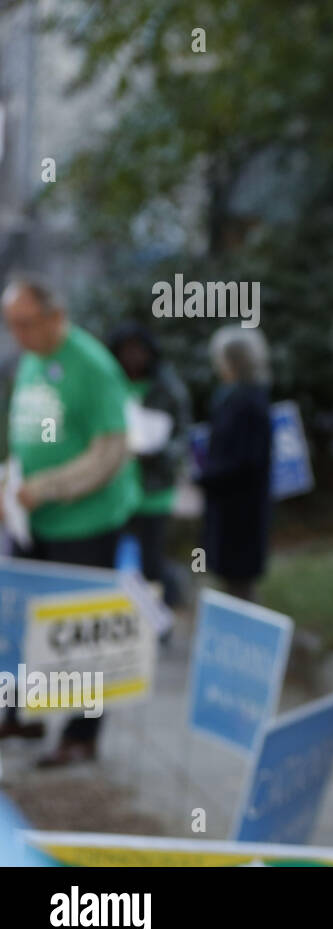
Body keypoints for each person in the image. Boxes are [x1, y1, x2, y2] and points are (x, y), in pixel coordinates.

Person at [0, 273, 139, 766]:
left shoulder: (92, 364)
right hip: (33, 522)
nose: (16, 334)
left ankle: (81, 735)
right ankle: (24, 714)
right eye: (10, 324)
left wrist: (47, 488)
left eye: (25, 323)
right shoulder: (33, 361)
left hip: (86, 523)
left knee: (80, 632)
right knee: (23, 622)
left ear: (55, 316)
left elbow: (110, 452)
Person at [109, 323, 192, 621]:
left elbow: (183, 439)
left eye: (138, 350)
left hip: (153, 490)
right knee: (115, 561)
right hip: (114, 490)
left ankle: (154, 622)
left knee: (150, 563)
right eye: (125, 351)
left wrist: (157, 452)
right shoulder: (110, 383)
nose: (132, 357)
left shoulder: (167, 388)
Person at [195, 325, 272, 603]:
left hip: (241, 511)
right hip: (230, 508)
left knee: (240, 586)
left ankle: (250, 641)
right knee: (233, 584)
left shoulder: (248, 402)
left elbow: (244, 461)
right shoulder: (233, 397)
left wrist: (204, 478)